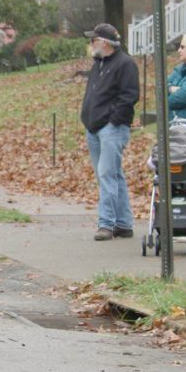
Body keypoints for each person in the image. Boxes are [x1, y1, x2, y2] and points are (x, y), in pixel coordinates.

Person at [80, 23, 139, 242]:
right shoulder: (99, 64)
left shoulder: (125, 64)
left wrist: (114, 121)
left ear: (104, 43)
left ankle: (106, 223)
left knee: (107, 174)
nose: (91, 44)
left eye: (93, 40)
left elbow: (129, 96)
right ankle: (123, 223)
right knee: (112, 175)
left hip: (111, 129)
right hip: (93, 127)